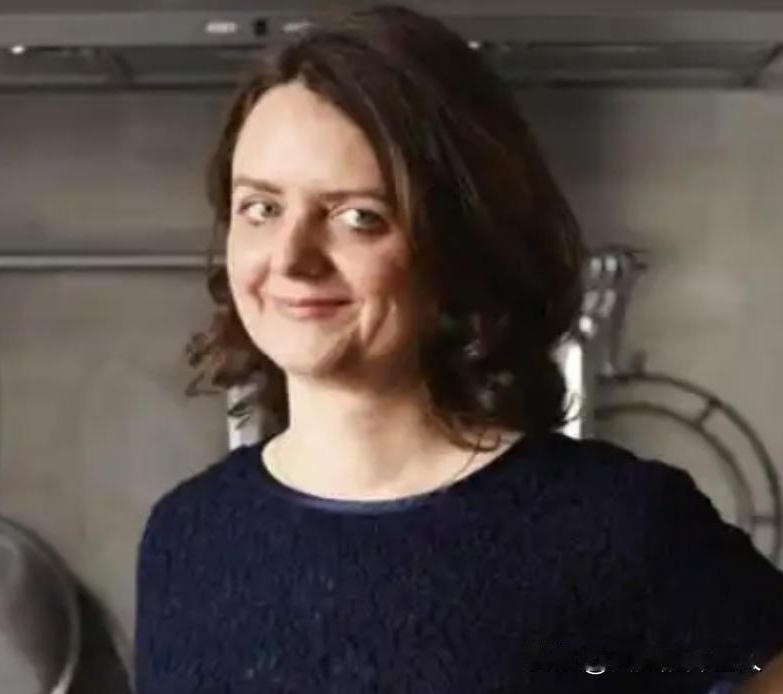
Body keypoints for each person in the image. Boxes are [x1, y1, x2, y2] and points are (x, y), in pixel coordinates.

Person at [133, 6, 783, 693]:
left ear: (460, 245)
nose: (292, 258)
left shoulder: (617, 524)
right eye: (261, 208)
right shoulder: (186, 534)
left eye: (359, 217)